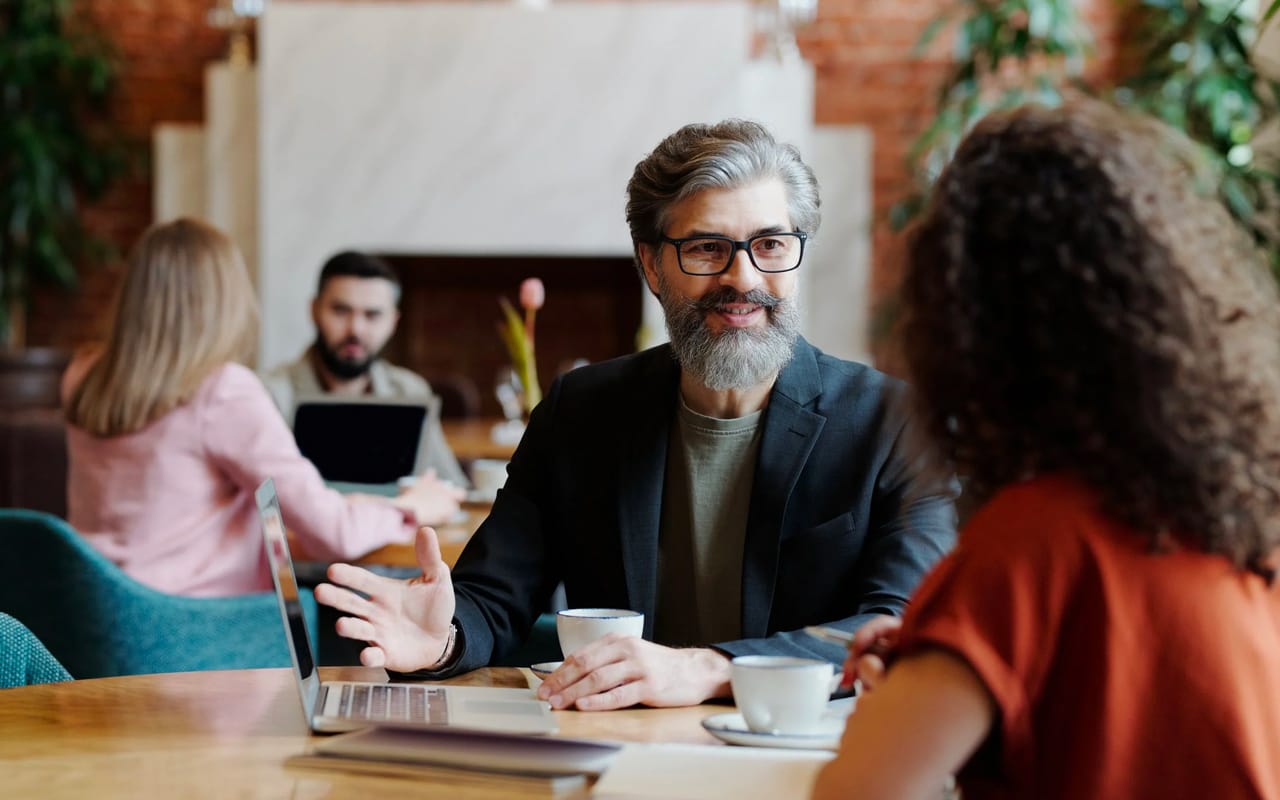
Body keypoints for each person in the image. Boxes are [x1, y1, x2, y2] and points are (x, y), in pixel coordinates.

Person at [316, 119, 958, 710]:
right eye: (707, 248)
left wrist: (711, 669)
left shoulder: (895, 423)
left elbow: (900, 626)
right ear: (652, 264)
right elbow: (494, 598)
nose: (743, 277)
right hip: (616, 749)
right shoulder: (581, 413)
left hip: (805, 755)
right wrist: (444, 641)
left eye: (769, 244)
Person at [812, 101, 1280, 800]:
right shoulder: (1243, 525)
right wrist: (939, 669)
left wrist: (909, 698)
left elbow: (854, 796)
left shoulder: (1032, 542)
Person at [62, 218, 457, 597]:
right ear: (224, 299)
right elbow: (334, 532)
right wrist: (410, 509)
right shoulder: (224, 391)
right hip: (202, 629)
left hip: (95, 617)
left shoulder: (83, 373)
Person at [261, 250, 468, 491]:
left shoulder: (409, 390)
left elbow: (450, 486)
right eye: (341, 311)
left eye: (372, 315)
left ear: (393, 322)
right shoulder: (267, 393)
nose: (356, 329)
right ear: (314, 310)